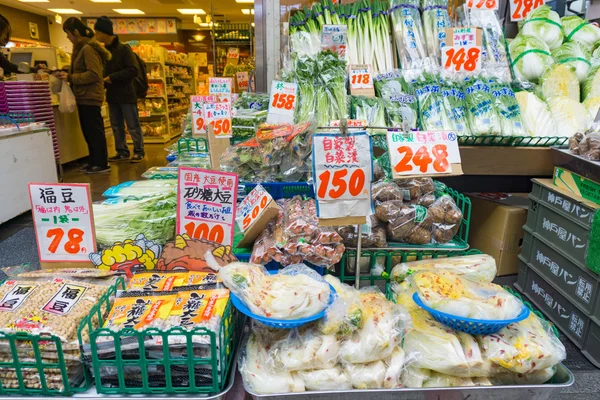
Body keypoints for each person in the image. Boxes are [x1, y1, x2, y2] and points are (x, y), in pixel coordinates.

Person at [56, 17, 111, 173]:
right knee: (89, 131)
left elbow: (94, 74)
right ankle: (94, 161)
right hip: (84, 95)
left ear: (75, 32)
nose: (67, 37)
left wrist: (71, 78)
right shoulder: (80, 48)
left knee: (94, 131)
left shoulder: (87, 49)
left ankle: (101, 163)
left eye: (68, 33)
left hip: (90, 96)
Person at [94, 16, 145, 163]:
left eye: (97, 31)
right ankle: (121, 151)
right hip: (112, 94)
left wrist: (112, 77)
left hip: (127, 93)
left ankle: (139, 151)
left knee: (132, 124)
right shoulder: (103, 52)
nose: (96, 35)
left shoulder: (124, 49)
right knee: (116, 125)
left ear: (105, 32)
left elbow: (133, 70)